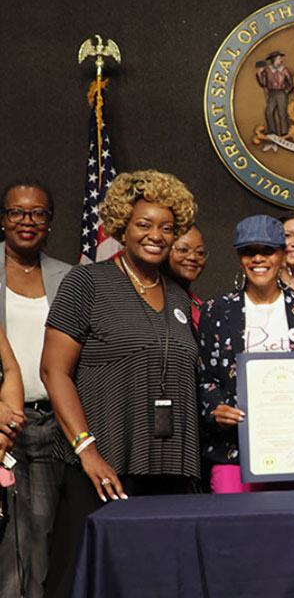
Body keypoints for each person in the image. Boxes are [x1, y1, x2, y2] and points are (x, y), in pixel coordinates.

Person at [41, 170, 199, 597]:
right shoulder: (87, 282)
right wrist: (86, 449)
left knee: (155, 582)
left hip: (167, 471)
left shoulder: (181, 296)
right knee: (86, 579)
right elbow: (53, 371)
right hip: (100, 467)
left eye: (167, 228)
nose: (156, 235)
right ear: (121, 227)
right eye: (144, 224)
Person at [197, 215, 294, 493]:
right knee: (236, 532)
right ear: (239, 257)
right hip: (235, 451)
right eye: (248, 251)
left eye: (267, 251)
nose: (258, 258)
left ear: (282, 255)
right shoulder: (216, 310)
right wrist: (215, 408)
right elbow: (205, 377)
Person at [0, 180, 70, 598]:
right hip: (1, 421)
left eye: (38, 213)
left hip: (47, 424)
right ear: (3, 219)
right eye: (16, 212)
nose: (27, 221)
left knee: (39, 533)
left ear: (50, 222)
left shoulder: (69, 277)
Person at [165, 225, 207, 329]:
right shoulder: (156, 299)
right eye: (183, 250)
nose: (193, 257)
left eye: (200, 252)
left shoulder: (198, 305)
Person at [255, 51, 293, 136]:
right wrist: (260, 74)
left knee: (282, 113)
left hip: (281, 93)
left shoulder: (284, 70)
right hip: (272, 93)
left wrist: (286, 91)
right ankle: (272, 131)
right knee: (269, 112)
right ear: (274, 60)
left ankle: (284, 132)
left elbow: (290, 83)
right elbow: (263, 84)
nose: (281, 60)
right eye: (279, 58)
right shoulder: (268, 70)